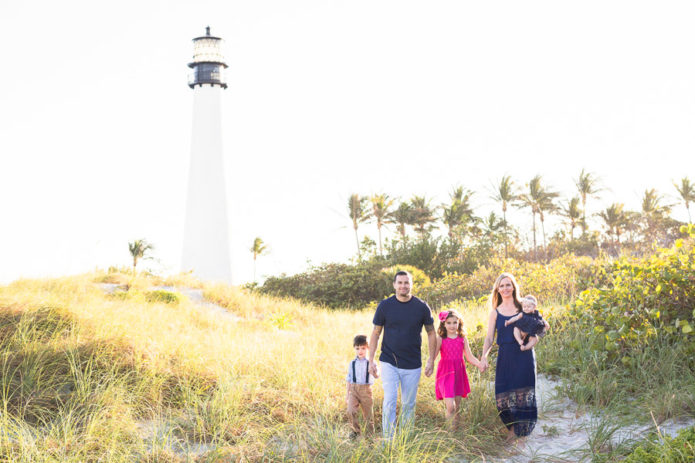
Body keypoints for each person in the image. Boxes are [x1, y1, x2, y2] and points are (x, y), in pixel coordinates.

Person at [368, 270, 437, 439]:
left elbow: (431, 333)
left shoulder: (421, 307)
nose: (403, 286)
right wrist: (371, 360)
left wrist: (431, 359)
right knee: (390, 401)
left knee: (408, 404)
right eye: (400, 283)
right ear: (394, 285)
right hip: (389, 361)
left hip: (413, 364)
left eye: (406, 282)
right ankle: (388, 442)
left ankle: (405, 440)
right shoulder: (385, 306)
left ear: (411, 284)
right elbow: (376, 333)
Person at [480, 273, 547, 441]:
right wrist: (484, 357)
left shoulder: (524, 306)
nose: (505, 289)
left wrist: (531, 336)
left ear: (513, 287)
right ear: (497, 289)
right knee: (502, 399)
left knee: (522, 397)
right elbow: (489, 338)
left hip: (523, 356)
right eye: (501, 286)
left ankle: (519, 435)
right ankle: (512, 429)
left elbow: (542, 327)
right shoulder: (495, 313)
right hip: (505, 357)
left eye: (508, 285)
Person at [434, 309, 484, 430]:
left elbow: (470, 357)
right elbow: (433, 356)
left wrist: (480, 364)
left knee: (456, 407)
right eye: (449, 323)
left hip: (458, 373)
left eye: (455, 322)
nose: (452, 325)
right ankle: (450, 434)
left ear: (459, 323)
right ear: (444, 324)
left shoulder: (462, 338)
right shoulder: (441, 338)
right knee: (450, 406)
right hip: (445, 373)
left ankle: (455, 430)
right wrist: (428, 366)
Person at [345, 334, 375, 438]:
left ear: (368, 348)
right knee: (351, 410)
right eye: (357, 348)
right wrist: (347, 395)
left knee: (368, 416)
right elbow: (349, 379)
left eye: (363, 348)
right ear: (354, 348)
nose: (360, 351)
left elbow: (377, 375)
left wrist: (374, 371)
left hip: (366, 390)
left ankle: (370, 437)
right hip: (354, 390)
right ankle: (355, 431)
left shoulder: (370, 362)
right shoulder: (352, 363)